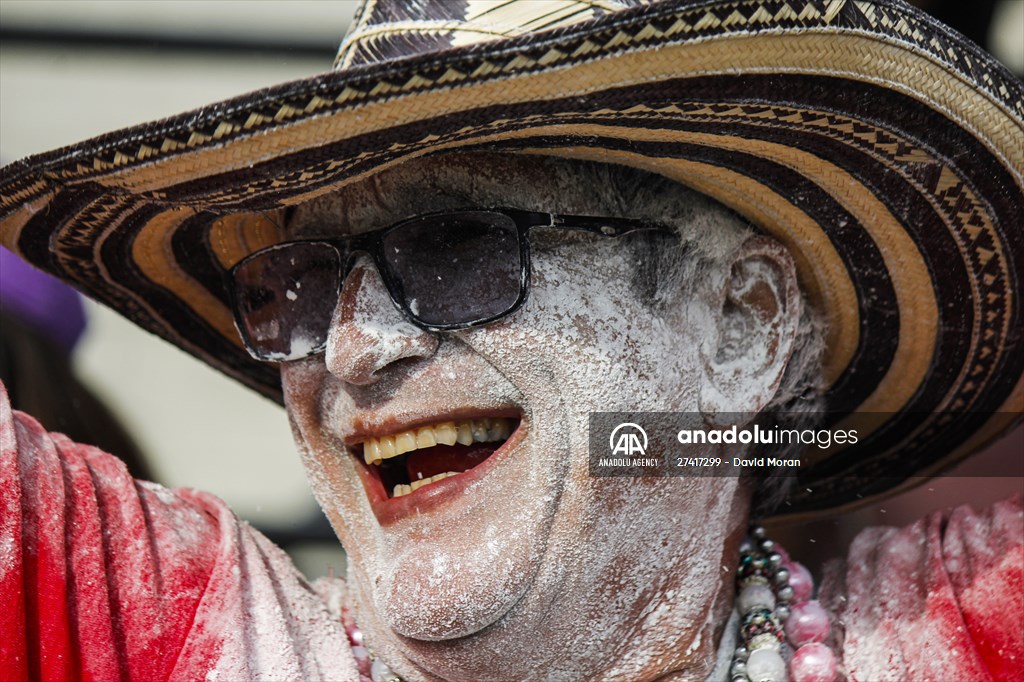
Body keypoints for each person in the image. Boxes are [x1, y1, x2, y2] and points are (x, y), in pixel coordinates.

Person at [1, 1, 1021, 680]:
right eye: (298, 286)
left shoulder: (961, 630)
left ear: (741, 325)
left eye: (454, 250)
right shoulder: (161, 629)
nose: (352, 352)